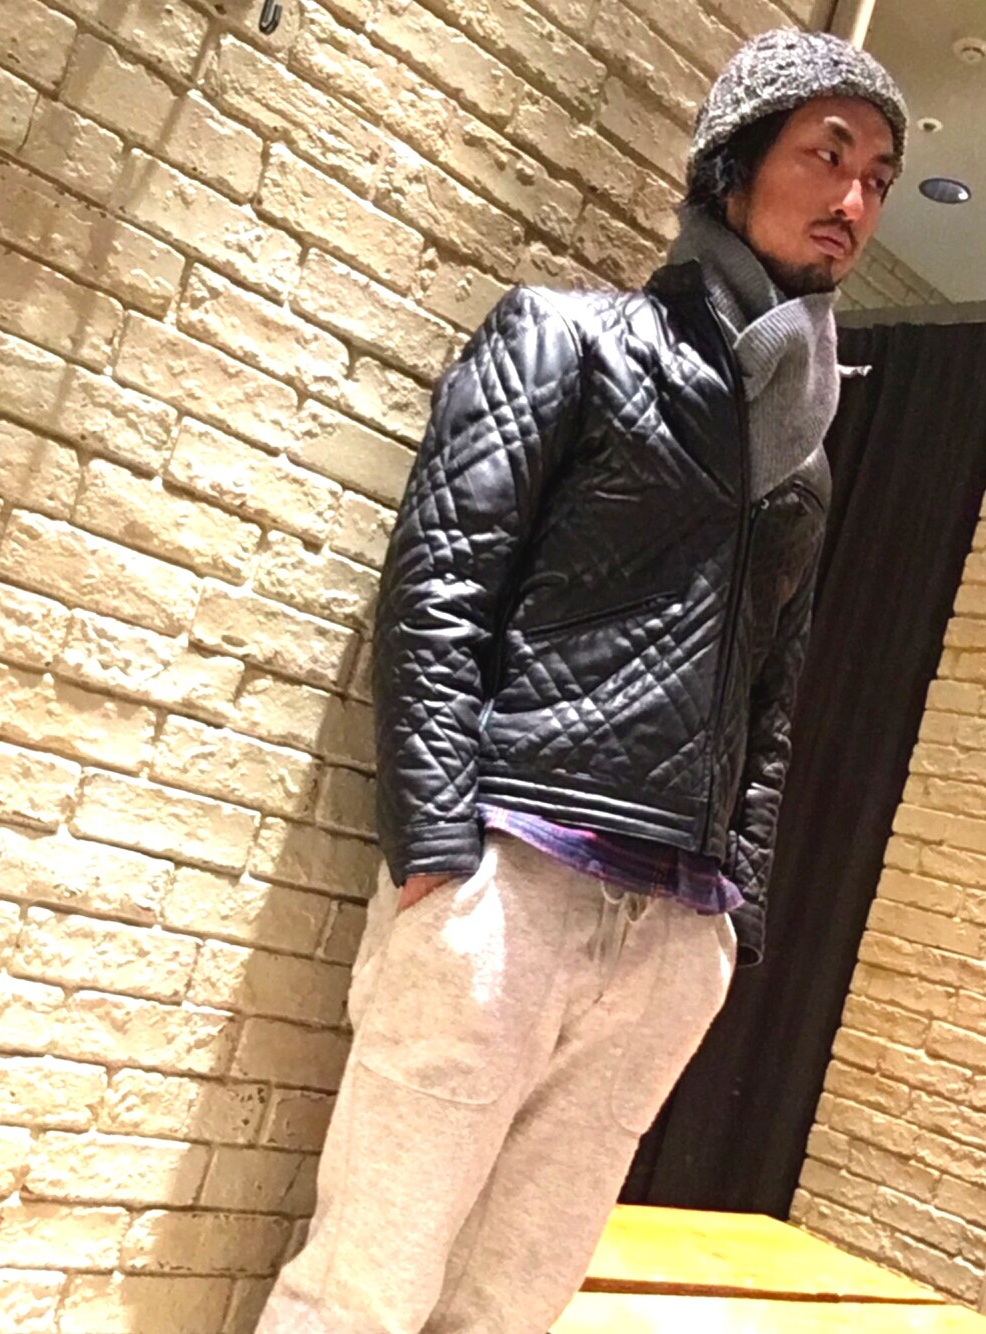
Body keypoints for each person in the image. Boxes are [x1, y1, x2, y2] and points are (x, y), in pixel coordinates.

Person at [257, 28, 908, 1334]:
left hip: (670, 930)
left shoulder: (806, 448)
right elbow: (439, 586)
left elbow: (773, 696)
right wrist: (439, 854)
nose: (853, 201)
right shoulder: (565, 339)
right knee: (365, 1290)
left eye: (879, 180)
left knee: (511, 1307)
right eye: (826, 156)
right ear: (734, 163)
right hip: (511, 879)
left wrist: (729, 920)